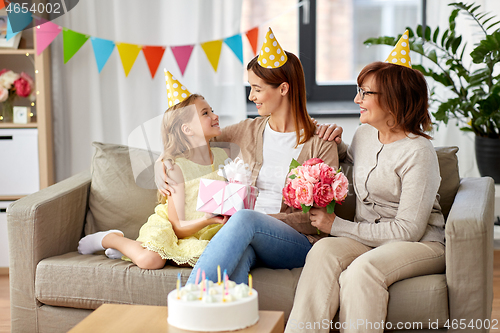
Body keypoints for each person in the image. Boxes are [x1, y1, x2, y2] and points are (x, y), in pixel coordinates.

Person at [285, 31, 446, 333]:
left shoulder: (418, 152)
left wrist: (337, 226)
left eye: (365, 93)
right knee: (321, 252)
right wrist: (338, 146)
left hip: (420, 243)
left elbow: (409, 230)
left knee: (362, 271)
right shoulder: (366, 134)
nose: (357, 99)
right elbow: (358, 165)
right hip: (369, 237)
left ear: (393, 100)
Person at [156, 28, 342, 284]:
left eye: (257, 88)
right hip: (248, 235)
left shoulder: (320, 144)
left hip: (296, 242)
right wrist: (162, 162)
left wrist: (258, 220)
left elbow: (321, 219)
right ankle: (227, 319)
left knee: (243, 218)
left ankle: (189, 298)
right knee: (239, 259)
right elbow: (185, 140)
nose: (251, 96)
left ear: (283, 89)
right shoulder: (246, 131)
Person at [77, 74, 230, 269]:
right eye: (205, 113)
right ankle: (111, 239)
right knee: (152, 260)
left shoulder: (223, 156)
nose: (215, 116)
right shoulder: (176, 168)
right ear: (187, 129)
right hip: (174, 229)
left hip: (206, 232)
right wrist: (205, 220)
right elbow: (178, 227)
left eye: (212, 111)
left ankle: (133, 249)